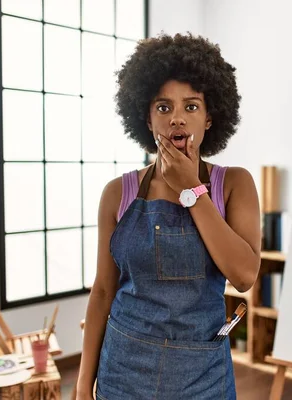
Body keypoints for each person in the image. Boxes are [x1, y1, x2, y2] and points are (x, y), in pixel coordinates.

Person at [74, 32, 262, 400]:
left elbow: (243, 276)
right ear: (146, 117)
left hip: (202, 376)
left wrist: (192, 190)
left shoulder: (235, 185)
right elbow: (102, 291)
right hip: (123, 371)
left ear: (209, 118)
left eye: (191, 107)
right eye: (164, 108)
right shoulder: (118, 192)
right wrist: (83, 384)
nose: (177, 119)